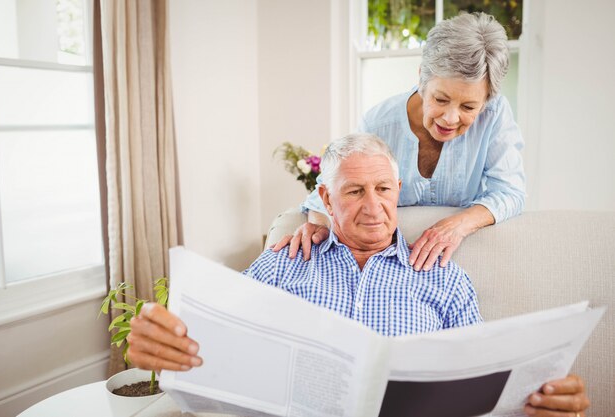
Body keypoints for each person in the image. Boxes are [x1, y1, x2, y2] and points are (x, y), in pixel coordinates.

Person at [128, 134, 589, 417]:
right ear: (326, 200)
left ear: (398, 191)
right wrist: (165, 338)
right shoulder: (284, 261)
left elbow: (484, 390)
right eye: (354, 191)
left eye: (384, 189)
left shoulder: (445, 279)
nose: (374, 206)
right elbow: (214, 341)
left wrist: (545, 406)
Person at [274, 12, 525, 273]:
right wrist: (318, 223)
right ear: (421, 79)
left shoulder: (495, 115)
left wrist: (456, 226)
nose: (450, 118)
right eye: (440, 99)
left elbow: (510, 191)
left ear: (486, 100)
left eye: (469, 106)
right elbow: (330, 188)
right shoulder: (378, 123)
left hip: (450, 260)